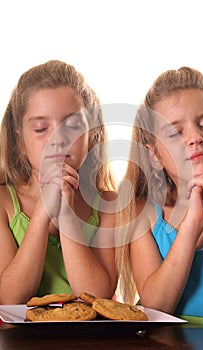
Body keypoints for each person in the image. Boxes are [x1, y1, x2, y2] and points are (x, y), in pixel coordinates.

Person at [116, 67, 203, 327]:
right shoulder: (143, 214)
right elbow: (156, 309)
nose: (195, 138)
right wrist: (191, 224)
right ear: (153, 155)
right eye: (175, 133)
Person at [0, 60, 117, 304]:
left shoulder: (107, 205)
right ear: (20, 141)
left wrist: (65, 213)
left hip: (88, 341)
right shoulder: (4, 204)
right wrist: (44, 212)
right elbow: (9, 299)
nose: (58, 139)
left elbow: (96, 297)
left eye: (73, 126)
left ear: (91, 135)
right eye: (41, 128)